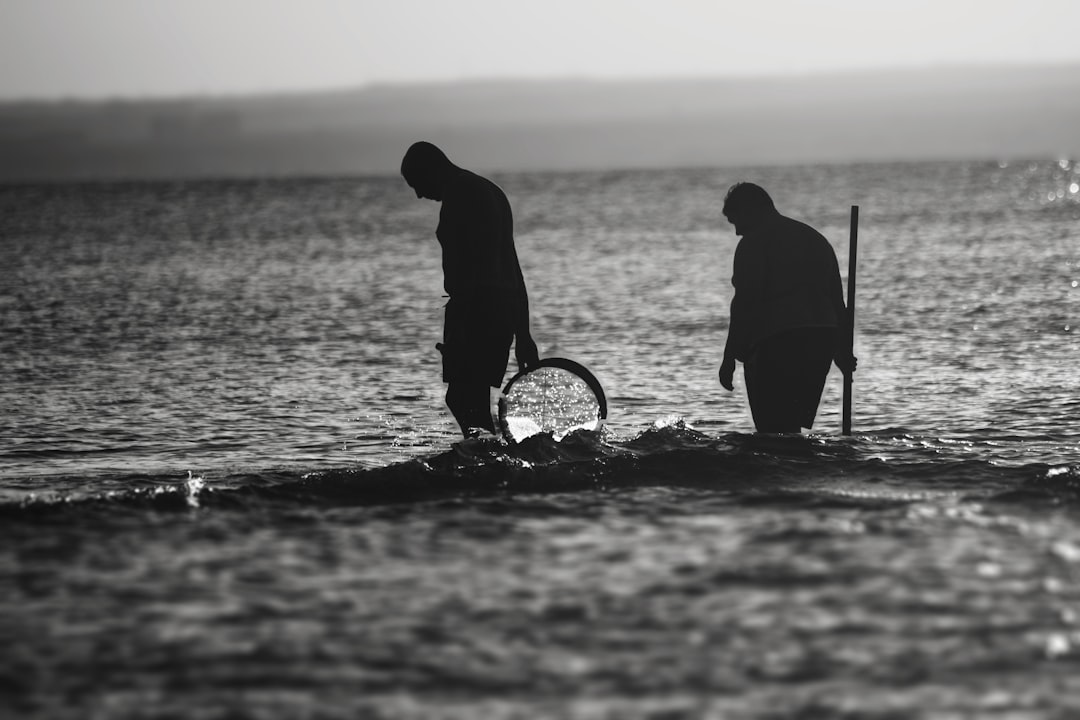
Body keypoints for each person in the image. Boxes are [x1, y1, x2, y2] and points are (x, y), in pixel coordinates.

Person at [401, 141, 540, 437]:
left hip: (478, 311)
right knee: (468, 400)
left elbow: (479, 270)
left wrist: (463, 326)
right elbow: (512, 267)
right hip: (498, 309)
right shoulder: (488, 190)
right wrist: (523, 332)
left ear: (432, 169)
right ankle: (493, 460)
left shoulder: (462, 195)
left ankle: (492, 465)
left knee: (465, 400)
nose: (419, 194)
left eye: (417, 183)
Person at [717, 182, 856, 433]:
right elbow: (837, 302)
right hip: (821, 340)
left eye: (736, 221)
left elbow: (745, 303)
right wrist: (840, 350)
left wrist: (729, 357)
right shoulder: (814, 238)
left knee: (773, 433)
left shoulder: (753, 243)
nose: (737, 232)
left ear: (751, 210)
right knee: (791, 430)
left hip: (777, 342)